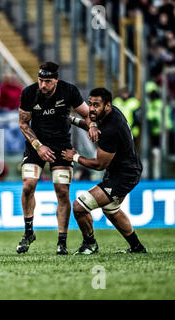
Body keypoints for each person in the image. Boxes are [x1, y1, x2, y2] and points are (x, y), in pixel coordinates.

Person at [17, 61, 100, 255]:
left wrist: (93, 126)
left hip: (62, 146)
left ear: (56, 80)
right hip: (36, 145)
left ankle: (61, 241)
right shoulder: (29, 93)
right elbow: (23, 124)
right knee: (28, 185)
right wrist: (38, 146)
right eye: (40, 80)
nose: (43, 85)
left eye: (47, 81)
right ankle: (28, 232)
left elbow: (87, 114)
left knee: (62, 191)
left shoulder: (69, 91)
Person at [62, 87, 147, 254]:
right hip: (122, 170)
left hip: (124, 175)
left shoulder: (111, 130)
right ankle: (137, 247)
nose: (91, 109)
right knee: (111, 210)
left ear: (107, 105)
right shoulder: (109, 113)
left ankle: (90, 244)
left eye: (96, 105)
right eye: (90, 104)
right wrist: (71, 119)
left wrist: (75, 157)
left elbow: (99, 165)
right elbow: (90, 123)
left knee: (80, 206)